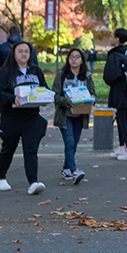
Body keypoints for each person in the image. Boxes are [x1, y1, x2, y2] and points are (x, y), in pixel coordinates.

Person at [0, 41, 49, 195]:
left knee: (31, 150)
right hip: (12, 117)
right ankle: (1, 177)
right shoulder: (5, 72)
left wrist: (44, 99)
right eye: (20, 51)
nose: (24, 54)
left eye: (27, 51)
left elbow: (44, 88)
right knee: (8, 149)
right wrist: (13, 98)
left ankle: (33, 182)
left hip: (31, 117)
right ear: (14, 53)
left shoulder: (36, 71)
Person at [52, 48, 95, 185]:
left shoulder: (87, 76)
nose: (74, 59)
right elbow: (54, 95)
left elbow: (93, 94)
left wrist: (92, 98)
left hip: (80, 115)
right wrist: (66, 101)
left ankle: (66, 168)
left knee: (74, 144)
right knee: (69, 142)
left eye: (77, 57)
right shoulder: (62, 75)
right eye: (71, 57)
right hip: (66, 115)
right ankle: (74, 171)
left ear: (82, 59)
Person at [102, 28, 127, 161]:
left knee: (122, 120)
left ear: (117, 39)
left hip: (120, 92)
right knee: (120, 118)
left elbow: (109, 77)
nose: (110, 38)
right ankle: (122, 147)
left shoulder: (114, 55)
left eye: (112, 36)